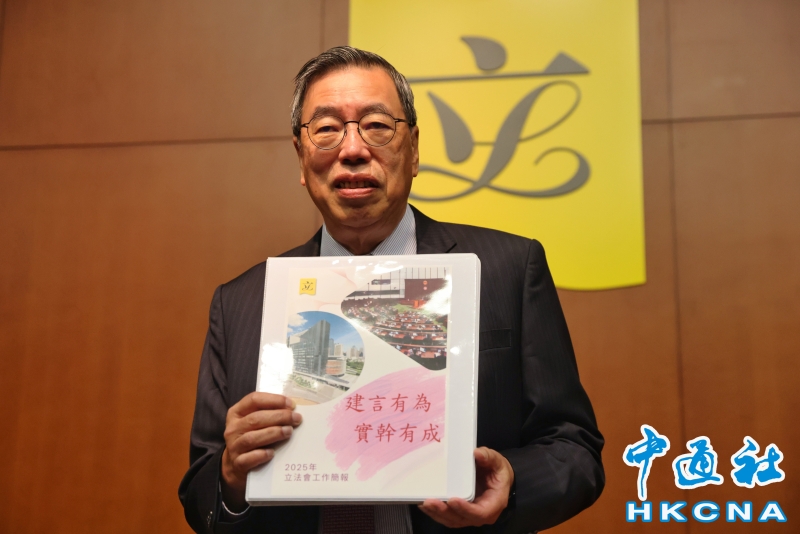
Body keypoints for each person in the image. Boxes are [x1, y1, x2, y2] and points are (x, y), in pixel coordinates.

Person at [179, 46, 604, 533]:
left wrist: (511, 482)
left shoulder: (506, 268)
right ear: (301, 156)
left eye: (377, 125)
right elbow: (200, 493)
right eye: (326, 129)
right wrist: (232, 477)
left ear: (414, 149)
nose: (352, 149)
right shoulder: (241, 302)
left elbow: (574, 449)